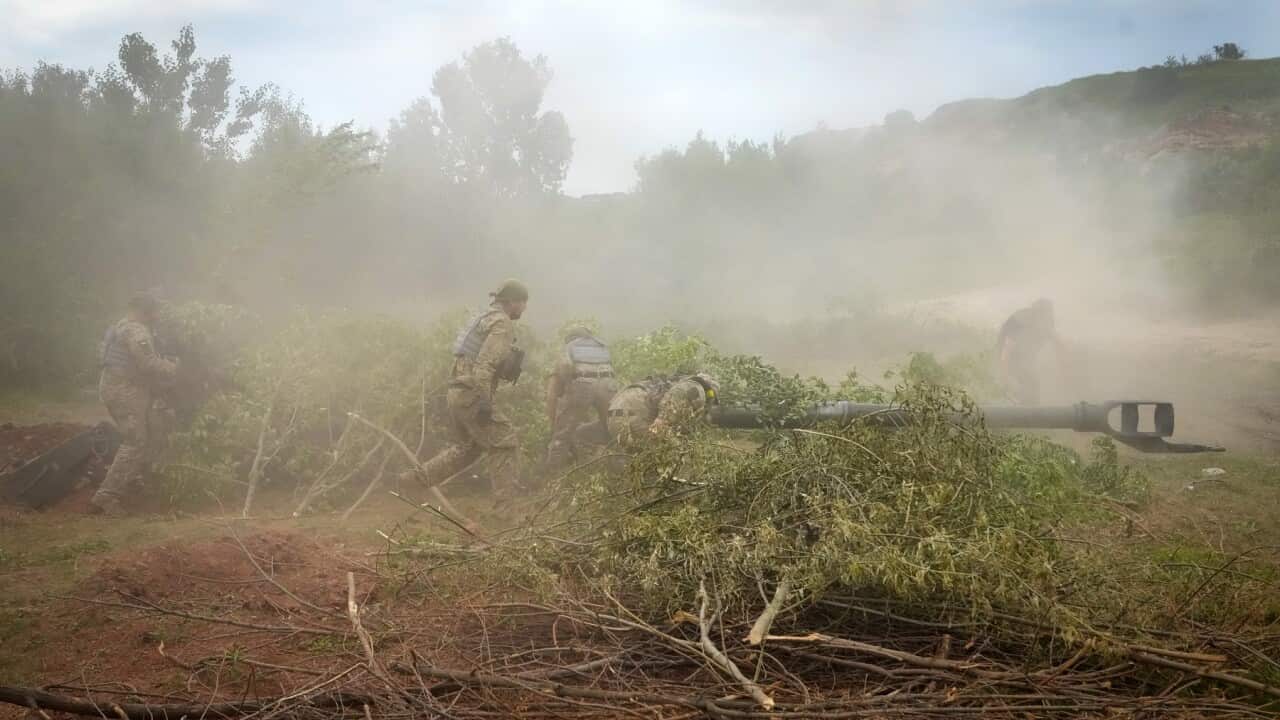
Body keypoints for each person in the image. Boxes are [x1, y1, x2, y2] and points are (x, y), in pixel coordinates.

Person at [419, 279, 528, 494]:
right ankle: (506, 514)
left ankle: (412, 482)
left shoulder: (481, 317)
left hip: (457, 392)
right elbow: (485, 365)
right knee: (505, 443)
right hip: (472, 393)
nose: (524, 308)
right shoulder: (502, 322)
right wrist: (485, 401)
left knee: (468, 448)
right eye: (524, 303)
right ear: (514, 302)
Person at [91, 291, 178, 515]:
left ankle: (135, 478)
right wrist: (176, 368)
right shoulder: (136, 331)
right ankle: (107, 496)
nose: (156, 315)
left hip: (117, 386)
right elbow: (148, 363)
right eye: (154, 311)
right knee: (136, 441)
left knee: (151, 432)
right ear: (144, 311)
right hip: (125, 390)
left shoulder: (120, 326)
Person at [543, 326, 618, 472]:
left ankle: (552, 477)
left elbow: (551, 396)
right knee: (612, 428)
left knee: (562, 436)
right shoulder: (601, 350)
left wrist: (554, 426)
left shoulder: (568, 350)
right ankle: (618, 470)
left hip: (582, 386)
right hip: (609, 385)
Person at [607, 373, 719, 447]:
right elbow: (659, 427)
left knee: (631, 458)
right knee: (663, 451)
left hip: (614, 413)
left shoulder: (669, 384)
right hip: (636, 411)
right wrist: (679, 447)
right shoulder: (695, 387)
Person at [996, 298, 1065, 405]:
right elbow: (1006, 350)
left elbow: (1058, 342)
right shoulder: (1018, 322)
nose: (1046, 321)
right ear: (1036, 315)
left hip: (1026, 352)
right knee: (1025, 382)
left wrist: (1063, 368)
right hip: (1009, 352)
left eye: (1048, 316)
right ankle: (1019, 404)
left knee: (1032, 383)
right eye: (1043, 317)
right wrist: (1004, 375)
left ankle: (1029, 405)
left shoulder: (1047, 322)